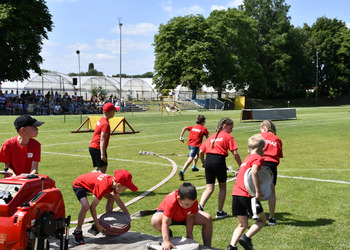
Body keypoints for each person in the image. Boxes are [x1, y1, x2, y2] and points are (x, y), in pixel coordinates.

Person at [72, 169, 138, 245]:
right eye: (125, 188)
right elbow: (92, 208)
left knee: (111, 197)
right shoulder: (103, 186)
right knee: (85, 206)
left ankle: (105, 222)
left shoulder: (114, 183)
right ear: (118, 185)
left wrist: (127, 215)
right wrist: (98, 226)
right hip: (79, 184)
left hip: (91, 183)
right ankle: (78, 231)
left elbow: (118, 200)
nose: (124, 190)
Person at [227, 134, 266, 250]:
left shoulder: (246, 159)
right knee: (262, 220)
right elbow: (254, 172)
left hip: (236, 194)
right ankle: (246, 238)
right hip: (247, 195)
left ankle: (232, 246)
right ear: (261, 149)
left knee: (242, 224)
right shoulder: (258, 158)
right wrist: (258, 192)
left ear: (249, 149)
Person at [198, 117, 242, 218]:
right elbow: (235, 153)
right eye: (231, 128)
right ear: (225, 126)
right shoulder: (228, 136)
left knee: (209, 188)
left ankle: (200, 206)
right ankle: (220, 212)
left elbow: (200, 151)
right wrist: (241, 165)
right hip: (219, 161)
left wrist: (203, 163)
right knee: (222, 187)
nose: (231, 130)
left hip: (209, 161)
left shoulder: (211, 137)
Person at [151, 182, 212, 250]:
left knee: (208, 218)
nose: (190, 206)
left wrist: (189, 235)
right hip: (169, 218)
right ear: (179, 199)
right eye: (187, 204)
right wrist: (166, 241)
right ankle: (168, 233)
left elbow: (190, 217)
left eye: (191, 204)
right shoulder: (171, 201)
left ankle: (208, 247)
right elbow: (165, 222)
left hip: (185, 216)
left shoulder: (193, 201)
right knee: (155, 220)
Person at [259, 120, 283, 226]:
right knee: (272, 190)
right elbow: (278, 154)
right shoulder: (277, 139)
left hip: (259, 162)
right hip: (272, 165)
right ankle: (272, 218)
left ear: (264, 127)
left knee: (254, 188)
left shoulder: (258, 136)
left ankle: (255, 213)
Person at [89, 102, 117, 173]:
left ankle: (86, 179)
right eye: (114, 111)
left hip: (94, 147)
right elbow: (102, 139)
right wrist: (102, 154)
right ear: (109, 112)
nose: (114, 113)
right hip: (97, 148)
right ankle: (86, 180)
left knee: (100, 169)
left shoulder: (101, 120)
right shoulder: (105, 124)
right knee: (102, 170)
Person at [178, 115, 209, 181]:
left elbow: (184, 128)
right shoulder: (203, 129)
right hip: (195, 145)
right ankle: (182, 171)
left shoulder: (193, 127)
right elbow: (207, 138)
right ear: (203, 122)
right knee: (190, 158)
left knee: (197, 154)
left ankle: (194, 167)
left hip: (190, 144)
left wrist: (181, 137)